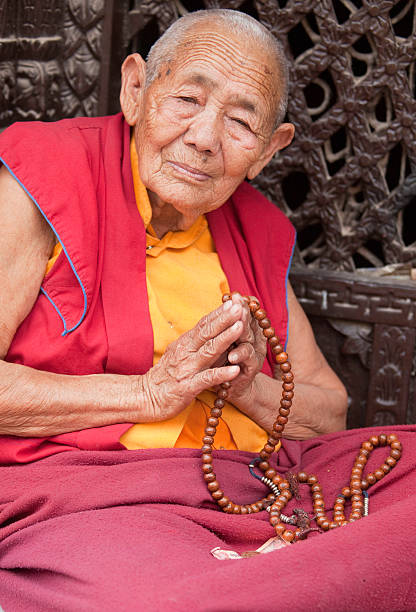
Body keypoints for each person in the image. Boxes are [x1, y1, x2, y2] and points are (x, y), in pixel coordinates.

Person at [0, 9, 415, 612]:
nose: (203, 137)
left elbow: (328, 415)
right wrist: (148, 394)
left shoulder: (251, 226)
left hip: (251, 485)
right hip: (91, 497)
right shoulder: (45, 181)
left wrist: (245, 386)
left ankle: (265, 574)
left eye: (242, 121)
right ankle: (272, 578)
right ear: (136, 89)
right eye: (187, 99)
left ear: (269, 151)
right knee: (163, 600)